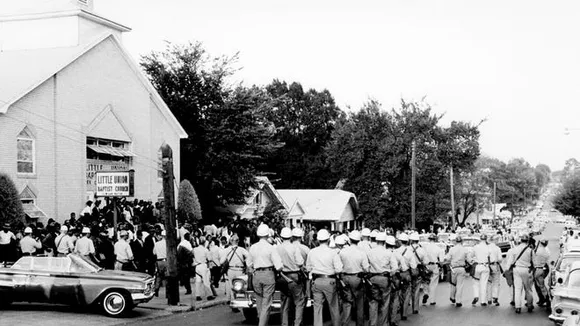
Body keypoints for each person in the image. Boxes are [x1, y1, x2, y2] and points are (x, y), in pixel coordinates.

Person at [247, 224, 283, 326]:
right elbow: (279, 266)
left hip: (256, 275)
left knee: (259, 302)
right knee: (266, 304)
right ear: (268, 235)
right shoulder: (271, 248)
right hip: (268, 274)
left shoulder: (253, 247)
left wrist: (253, 270)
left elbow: (248, 263)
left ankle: (261, 321)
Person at [306, 229, 342, 326]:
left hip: (317, 280)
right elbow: (339, 269)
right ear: (328, 240)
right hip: (330, 280)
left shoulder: (312, 252)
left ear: (318, 240)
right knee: (334, 306)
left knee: (317, 307)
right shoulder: (333, 252)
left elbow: (308, 268)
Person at [338, 230, 368, 326]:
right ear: (358, 241)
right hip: (357, 278)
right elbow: (366, 269)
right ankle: (359, 324)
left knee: (346, 302)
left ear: (350, 240)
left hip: (345, 277)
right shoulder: (361, 253)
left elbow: (338, 266)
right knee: (359, 304)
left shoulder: (342, 252)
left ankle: (344, 323)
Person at [367, 232, 397, 326]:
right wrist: (390, 274)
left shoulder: (370, 252)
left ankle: (373, 323)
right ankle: (384, 323)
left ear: (376, 240)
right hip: (384, 279)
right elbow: (395, 268)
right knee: (385, 302)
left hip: (372, 278)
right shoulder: (388, 253)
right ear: (384, 242)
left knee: (373, 302)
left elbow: (366, 266)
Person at [276, 227, 305, 326]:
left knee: (284, 302)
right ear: (291, 237)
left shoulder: (277, 248)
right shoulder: (294, 248)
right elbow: (300, 262)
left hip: (283, 277)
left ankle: (284, 323)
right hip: (294, 276)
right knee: (299, 301)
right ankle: (297, 323)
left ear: (281, 236)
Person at [508, 233, 535, 313]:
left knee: (517, 289)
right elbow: (534, 261)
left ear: (520, 241)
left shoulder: (515, 249)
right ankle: (529, 305)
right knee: (528, 289)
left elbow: (511, 261)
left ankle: (518, 307)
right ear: (527, 241)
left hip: (517, 269)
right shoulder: (530, 250)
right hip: (526, 269)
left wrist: (507, 269)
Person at [220, 235, 249, 305]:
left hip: (230, 270)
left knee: (231, 286)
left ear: (230, 241)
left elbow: (221, 261)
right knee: (240, 286)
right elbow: (249, 257)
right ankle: (239, 300)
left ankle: (233, 301)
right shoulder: (242, 250)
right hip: (239, 270)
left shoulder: (226, 250)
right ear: (238, 241)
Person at [396, 232, 417, 320]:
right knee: (407, 292)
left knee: (397, 292)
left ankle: (397, 308)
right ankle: (404, 313)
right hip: (406, 273)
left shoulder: (395, 251)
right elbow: (413, 266)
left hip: (397, 274)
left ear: (400, 241)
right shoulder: (410, 252)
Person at [445, 235, 468, 307]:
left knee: (453, 283)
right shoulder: (465, 249)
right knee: (460, 285)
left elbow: (448, 258)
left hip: (454, 268)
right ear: (462, 241)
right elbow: (468, 259)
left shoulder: (452, 249)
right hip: (461, 268)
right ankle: (458, 301)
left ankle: (452, 297)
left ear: (455, 241)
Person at [423, 233, 444, 305]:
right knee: (433, 283)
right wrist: (441, 268)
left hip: (427, 266)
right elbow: (441, 260)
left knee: (425, 281)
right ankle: (432, 300)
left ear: (429, 239)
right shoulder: (438, 248)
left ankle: (426, 293)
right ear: (435, 239)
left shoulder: (425, 247)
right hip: (435, 266)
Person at [470, 234, 491, 306]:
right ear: (486, 239)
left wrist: (472, 261)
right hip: (485, 266)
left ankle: (476, 296)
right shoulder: (488, 247)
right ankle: (483, 301)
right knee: (484, 284)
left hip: (478, 266)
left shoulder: (476, 247)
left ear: (480, 239)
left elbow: (471, 256)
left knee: (475, 282)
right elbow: (490, 257)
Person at [409, 232, 427, 313]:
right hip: (418, 270)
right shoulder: (421, 250)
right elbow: (426, 261)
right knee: (416, 289)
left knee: (407, 289)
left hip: (408, 270)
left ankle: (405, 307)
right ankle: (415, 308)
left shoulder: (407, 249)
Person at [193, 236, 216, 301]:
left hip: (197, 266)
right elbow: (209, 259)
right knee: (206, 281)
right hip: (203, 265)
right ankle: (209, 295)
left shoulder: (195, 249)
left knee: (198, 282)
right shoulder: (205, 250)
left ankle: (198, 295)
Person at [533, 237, 551, 308]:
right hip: (542, 269)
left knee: (539, 285)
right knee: (541, 286)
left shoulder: (537, 251)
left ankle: (545, 299)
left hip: (537, 269)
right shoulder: (546, 252)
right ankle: (546, 299)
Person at [486, 235, 503, 306]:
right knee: (496, 282)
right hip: (495, 266)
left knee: (489, 282)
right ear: (495, 240)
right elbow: (500, 259)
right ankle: (495, 297)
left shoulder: (486, 248)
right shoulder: (497, 248)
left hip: (487, 266)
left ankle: (489, 299)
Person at [153, 230, 167, 297]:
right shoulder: (168, 244)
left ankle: (156, 289)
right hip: (166, 261)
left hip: (159, 261)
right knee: (168, 277)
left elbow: (154, 253)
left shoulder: (157, 244)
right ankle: (168, 293)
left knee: (159, 276)